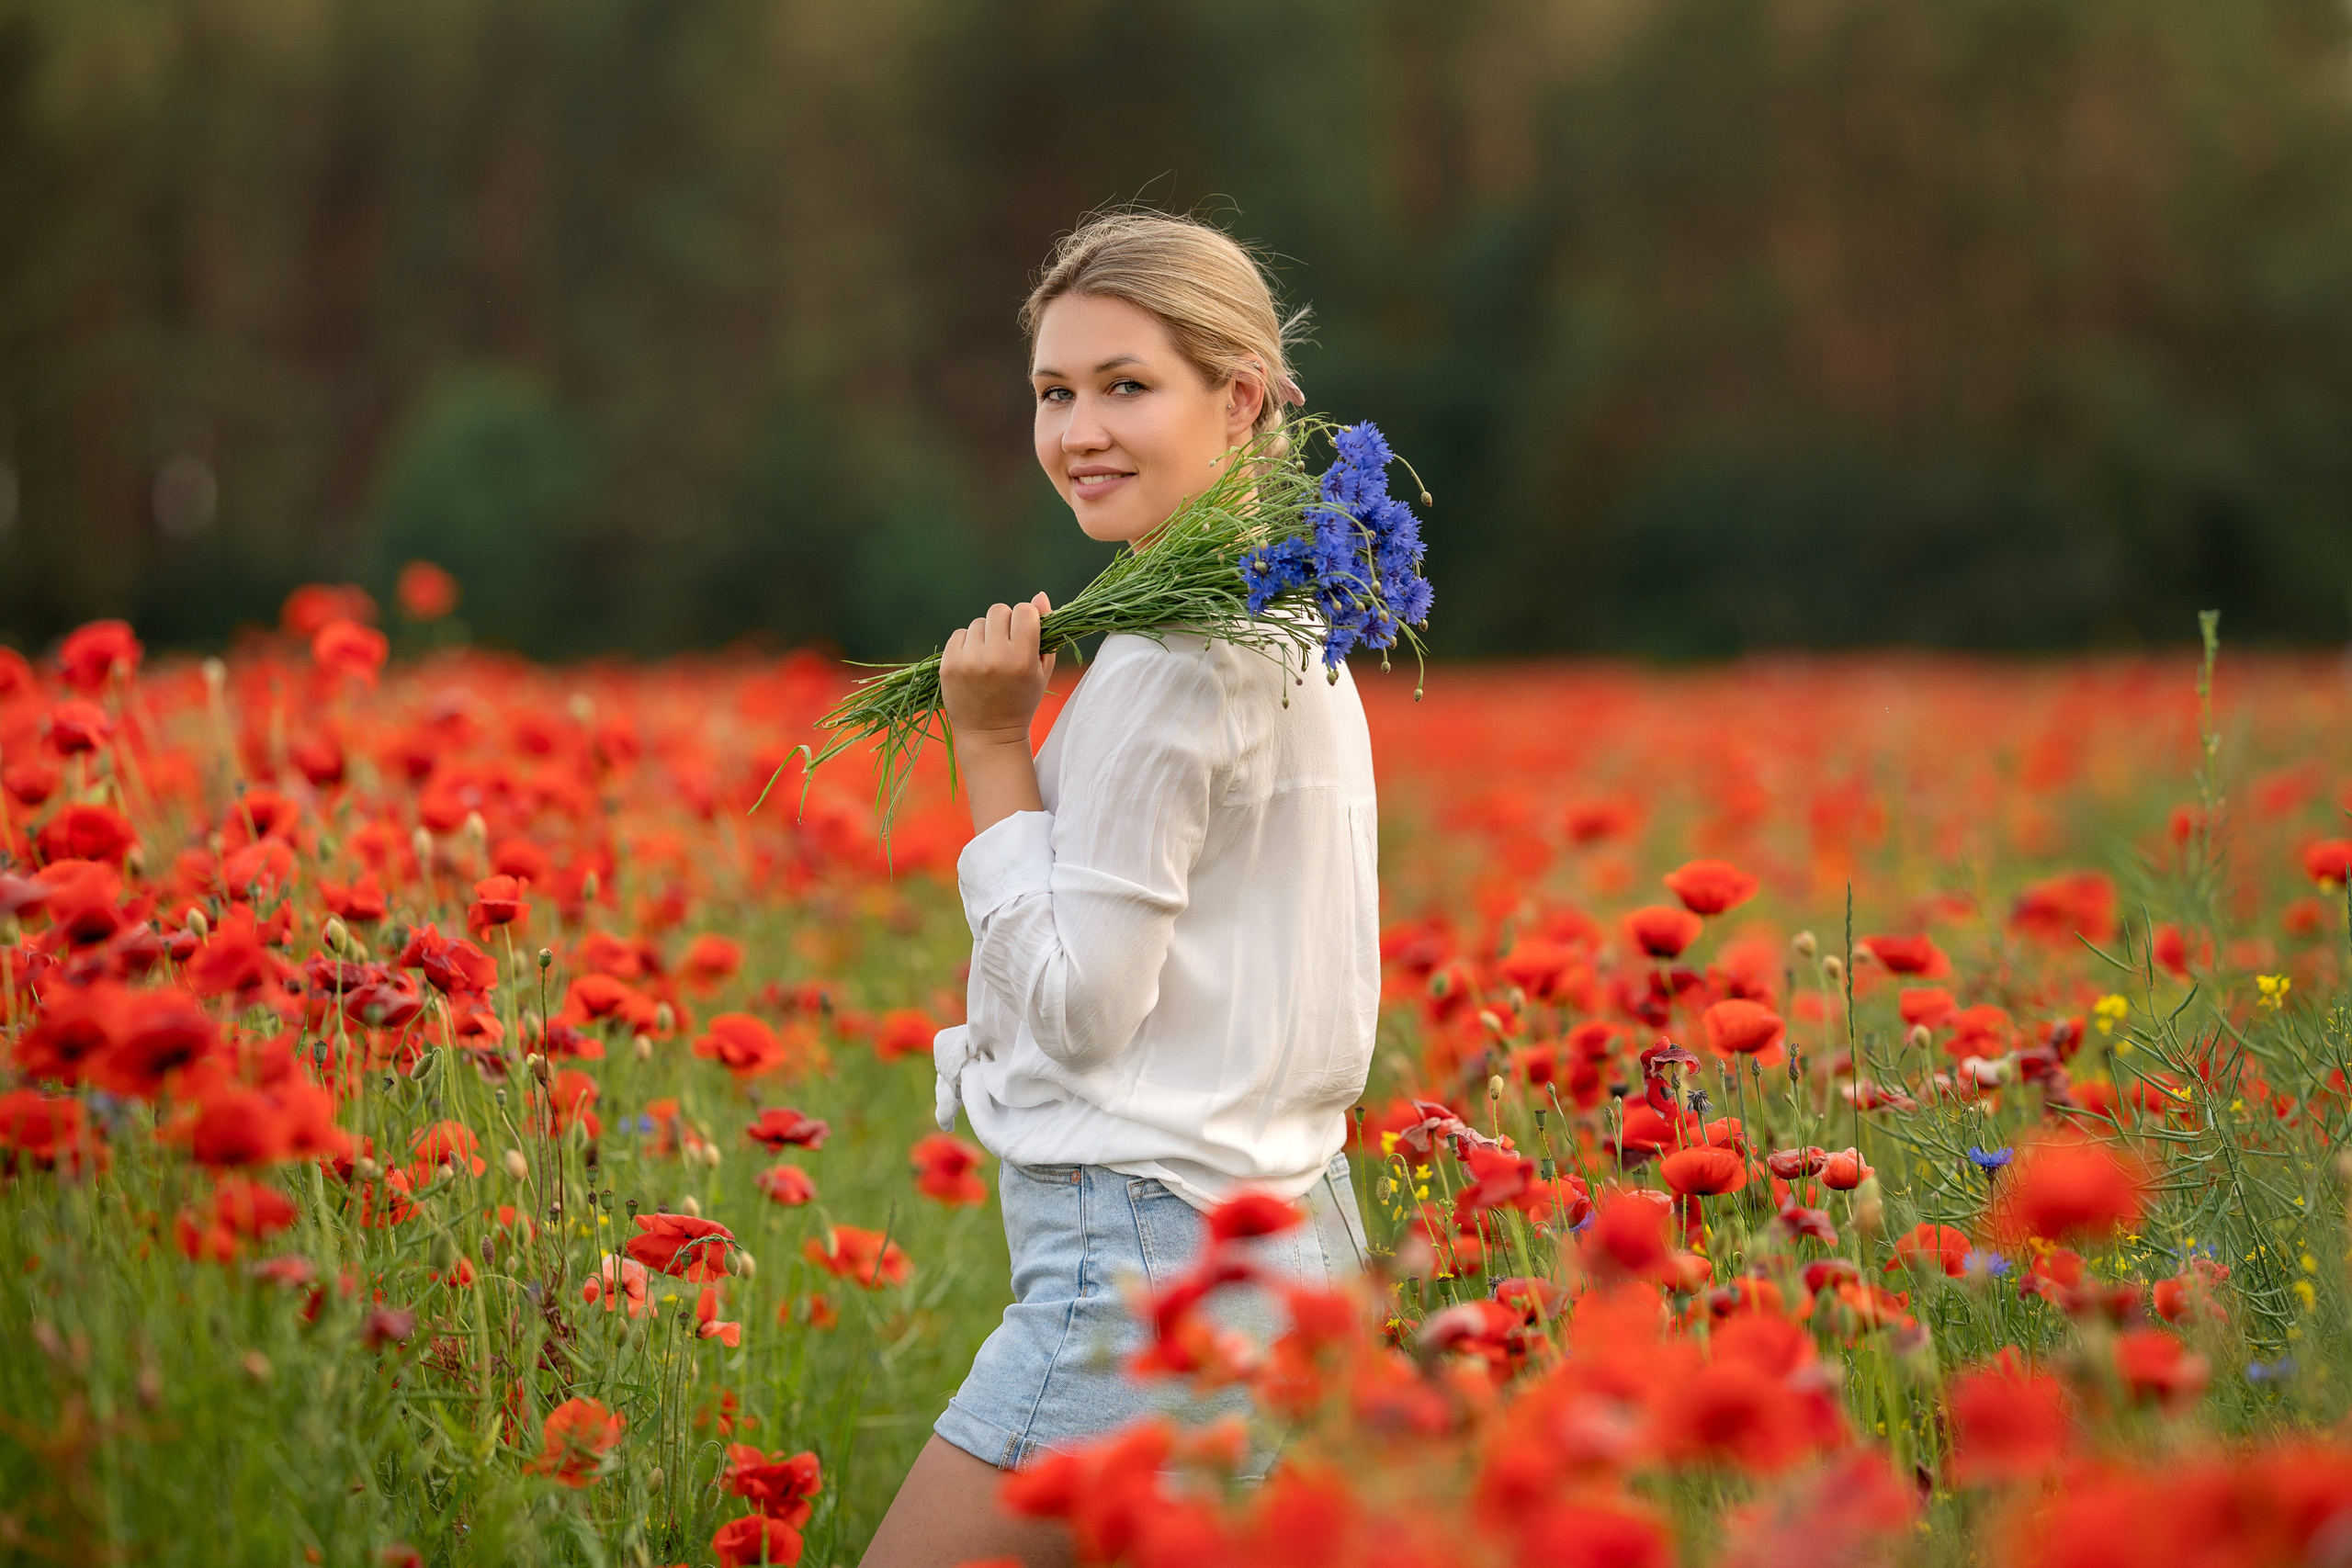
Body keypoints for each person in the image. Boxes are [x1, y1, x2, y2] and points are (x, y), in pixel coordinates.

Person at [858, 210, 1381, 1568]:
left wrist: (986, 746)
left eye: (1124, 386)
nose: (1078, 429)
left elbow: (1087, 1010)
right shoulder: (1288, 623)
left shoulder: (1169, 663)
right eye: (1053, 392)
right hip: (1297, 1240)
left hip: (1151, 1257)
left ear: (1243, 398)